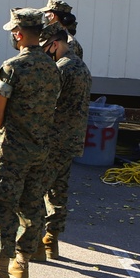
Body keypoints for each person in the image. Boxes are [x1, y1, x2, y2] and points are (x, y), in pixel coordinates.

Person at [0, 8, 59, 278]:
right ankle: (22, 265)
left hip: (11, 151)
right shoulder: (52, 67)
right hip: (40, 149)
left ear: (19, 34)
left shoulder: (12, 67)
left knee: (0, 207)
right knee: (32, 206)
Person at [32, 24, 91, 262]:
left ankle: (34, 244)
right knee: (58, 192)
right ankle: (51, 241)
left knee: (36, 191)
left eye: (46, 48)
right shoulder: (81, 66)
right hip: (71, 140)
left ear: (54, 44)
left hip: (54, 140)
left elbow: (47, 104)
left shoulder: (62, 69)